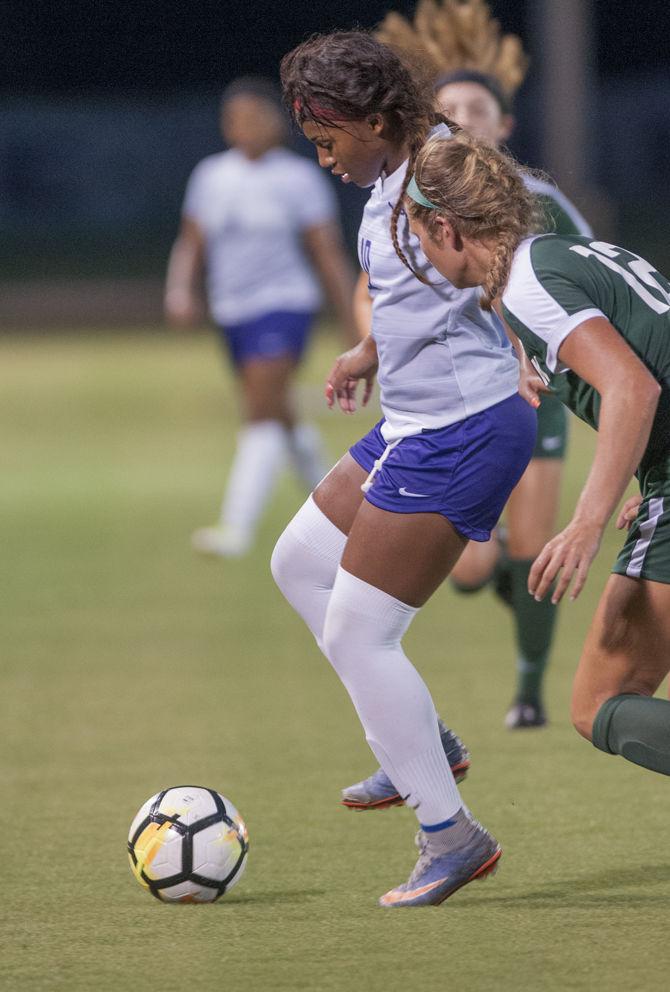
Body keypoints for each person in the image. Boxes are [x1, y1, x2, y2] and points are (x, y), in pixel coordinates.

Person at [272, 31, 537, 907]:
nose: (324, 158)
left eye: (329, 139)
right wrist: (368, 351)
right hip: (417, 421)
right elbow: (422, 291)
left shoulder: (435, 178)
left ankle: (449, 834)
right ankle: (419, 744)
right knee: (299, 563)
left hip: (462, 430)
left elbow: (501, 261)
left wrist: (535, 347)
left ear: (378, 118)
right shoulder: (393, 178)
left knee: (358, 632)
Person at [403, 130, 670, 783]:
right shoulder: (555, 258)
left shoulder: (529, 286)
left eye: (416, 232)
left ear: (447, 228)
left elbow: (634, 386)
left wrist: (586, 521)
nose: (416, 251)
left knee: (599, 702)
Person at [377, 0, 593, 728]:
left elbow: (590, 281)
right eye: (449, 108)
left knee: (534, 545)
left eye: (478, 107)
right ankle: (496, 569)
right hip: (458, 395)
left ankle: (529, 691)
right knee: (469, 568)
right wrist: (369, 350)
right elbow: (373, 291)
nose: (463, 117)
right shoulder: (411, 200)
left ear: (504, 126)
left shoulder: (545, 204)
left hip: (538, 392)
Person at [165, 77, 356, 558]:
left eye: (255, 117)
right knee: (280, 414)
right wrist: (180, 290)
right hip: (233, 312)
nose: (244, 127)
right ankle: (342, 511)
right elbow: (192, 242)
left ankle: (236, 528)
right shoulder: (211, 175)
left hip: (285, 305)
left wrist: (350, 318)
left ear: (276, 123)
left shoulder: (297, 178)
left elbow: (326, 253)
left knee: (260, 413)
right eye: (235, 119)